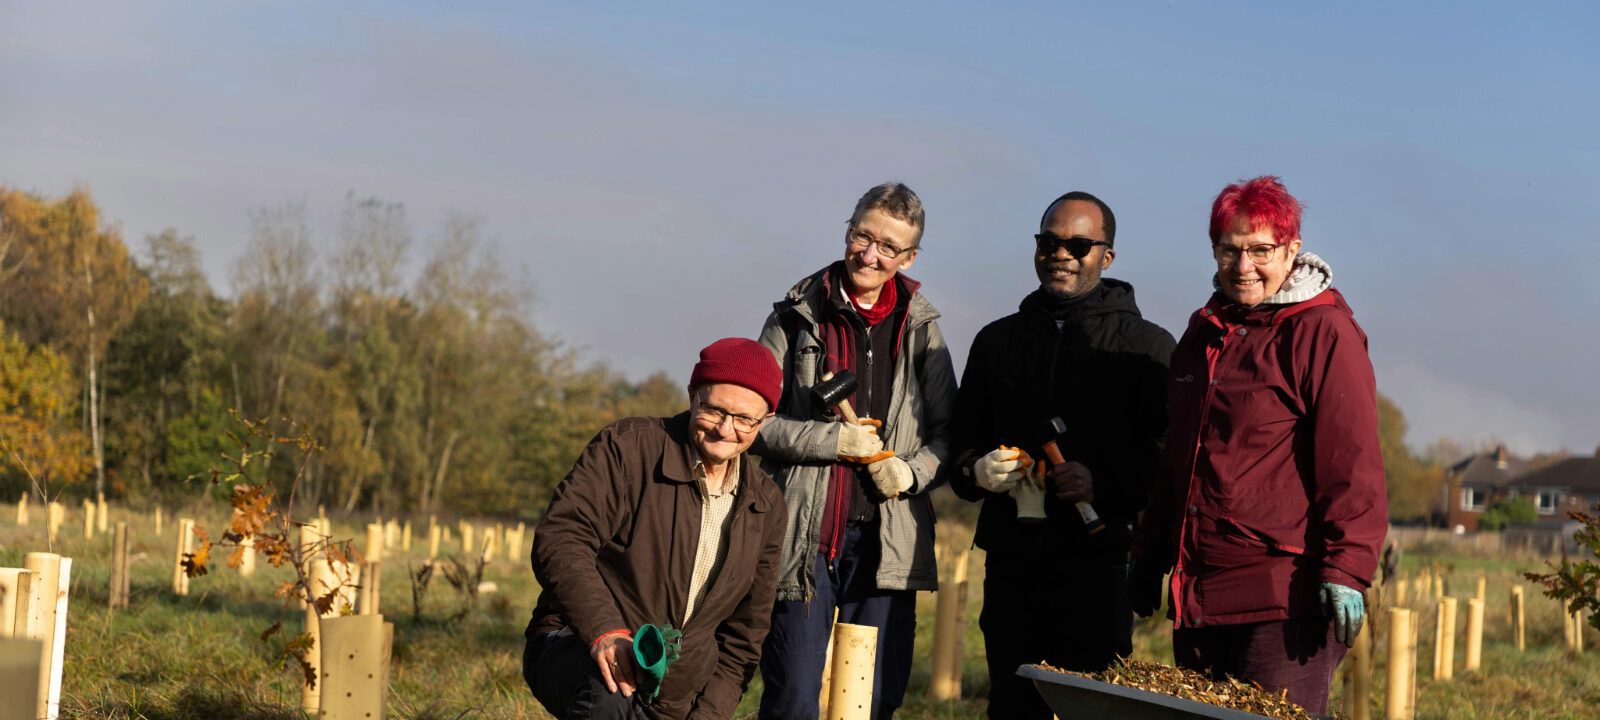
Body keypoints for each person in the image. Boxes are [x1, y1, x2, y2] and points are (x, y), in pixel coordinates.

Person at [1130, 176, 1388, 715]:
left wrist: (1347, 569)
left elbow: (1353, 463)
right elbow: (1179, 459)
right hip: (1201, 594)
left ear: (1292, 251)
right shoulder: (1204, 332)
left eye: (1259, 250)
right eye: (1229, 250)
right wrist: (1149, 553)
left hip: (1283, 601)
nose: (1243, 266)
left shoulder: (1323, 332)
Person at [947, 191, 1175, 719]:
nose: (1061, 253)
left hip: (1098, 563)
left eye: (1077, 243)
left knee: (1093, 707)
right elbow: (959, 448)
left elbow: (1167, 459)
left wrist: (1103, 482)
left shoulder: (1146, 348)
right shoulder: (996, 342)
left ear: (1106, 256)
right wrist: (977, 471)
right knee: (1012, 703)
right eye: (1049, 241)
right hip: (1011, 566)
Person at [753, 182, 957, 720]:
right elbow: (752, 425)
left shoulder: (924, 333)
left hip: (887, 547)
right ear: (848, 230)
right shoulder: (795, 317)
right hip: (803, 538)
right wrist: (832, 440)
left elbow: (949, 436)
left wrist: (910, 475)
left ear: (909, 257)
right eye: (861, 235)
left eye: (888, 246)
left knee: (873, 701)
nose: (869, 254)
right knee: (793, 696)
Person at [524, 338, 787, 720]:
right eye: (713, 410)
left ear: (766, 420)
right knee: (608, 697)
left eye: (745, 419)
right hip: (579, 644)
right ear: (692, 395)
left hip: (678, 695)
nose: (725, 429)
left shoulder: (766, 505)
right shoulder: (628, 448)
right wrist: (604, 632)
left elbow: (743, 637)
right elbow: (562, 539)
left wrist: (709, 715)